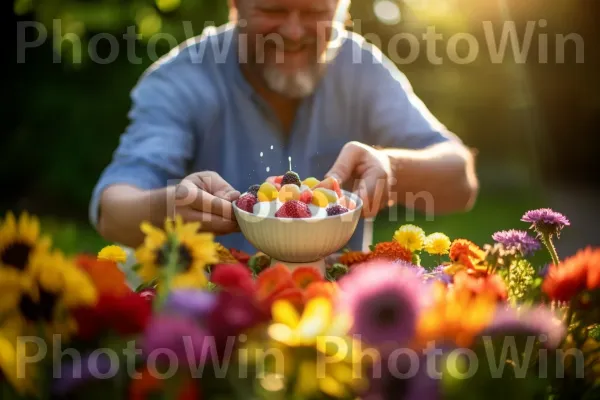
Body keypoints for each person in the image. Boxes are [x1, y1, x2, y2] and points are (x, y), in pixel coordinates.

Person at [90, 0, 479, 255]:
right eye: (274, 9)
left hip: (335, 330)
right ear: (236, 6)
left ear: (340, 11)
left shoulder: (362, 68)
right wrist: (169, 206)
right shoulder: (181, 79)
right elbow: (113, 210)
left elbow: (459, 180)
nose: (293, 32)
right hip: (212, 335)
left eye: (313, 13)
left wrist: (392, 169)